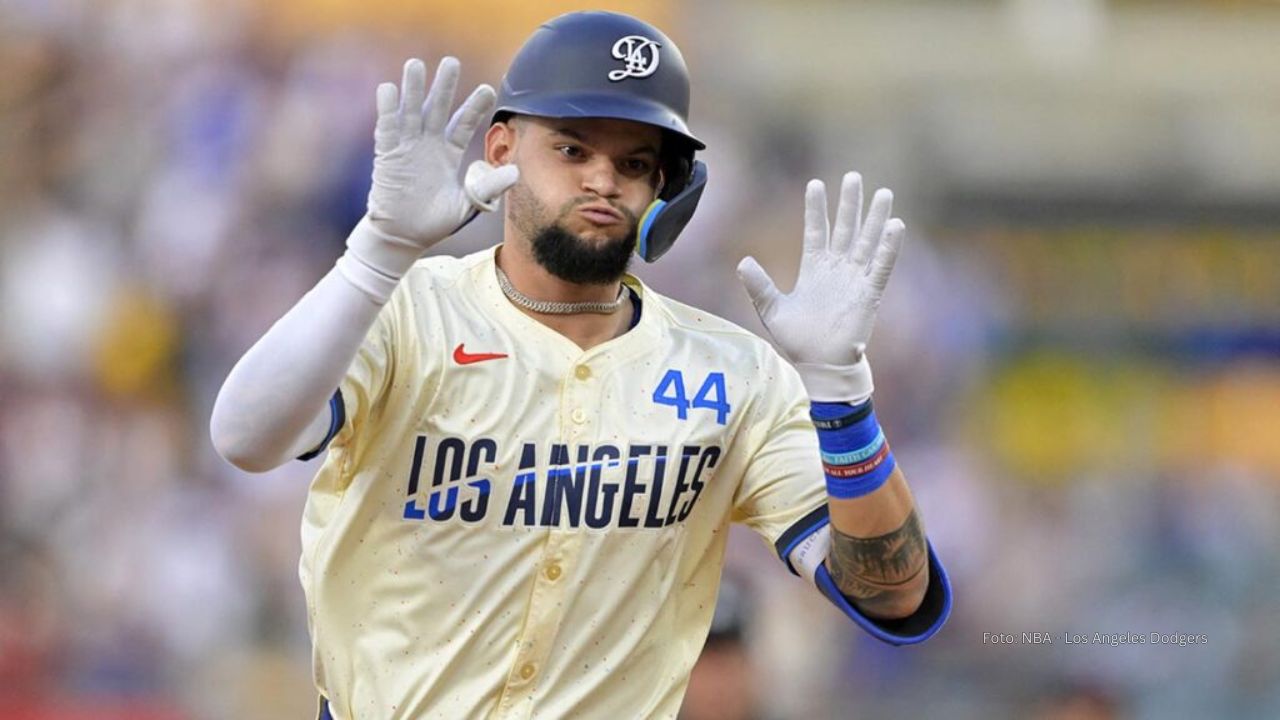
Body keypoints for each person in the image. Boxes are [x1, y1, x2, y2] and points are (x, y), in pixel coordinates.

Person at [210, 11, 951, 719]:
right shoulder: (403, 310)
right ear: (501, 151)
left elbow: (891, 594)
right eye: (572, 149)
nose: (603, 180)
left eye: (633, 162)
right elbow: (246, 438)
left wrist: (842, 393)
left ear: (665, 187)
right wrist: (376, 253)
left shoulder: (735, 375)